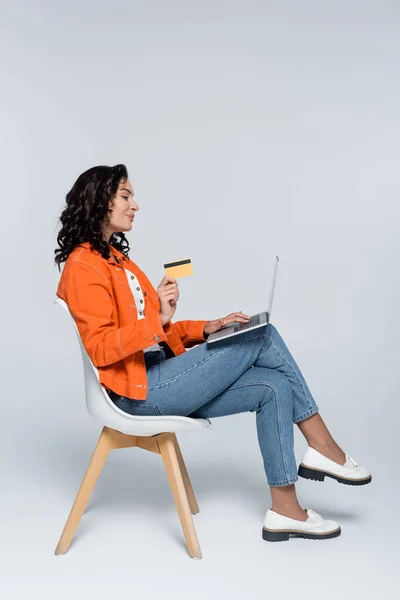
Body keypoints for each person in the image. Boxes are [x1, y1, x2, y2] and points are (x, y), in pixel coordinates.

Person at [54, 163, 372, 543]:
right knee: (264, 335)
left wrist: (205, 327)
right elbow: (102, 348)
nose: (135, 205)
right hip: (135, 393)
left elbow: (153, 333)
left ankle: (285, 509)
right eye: (125, 196)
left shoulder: (117, 261)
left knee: (273, 386)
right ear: (98, 202)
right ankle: (323, 446)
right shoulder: (82, 266)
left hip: (156, 373)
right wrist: (157, 320)